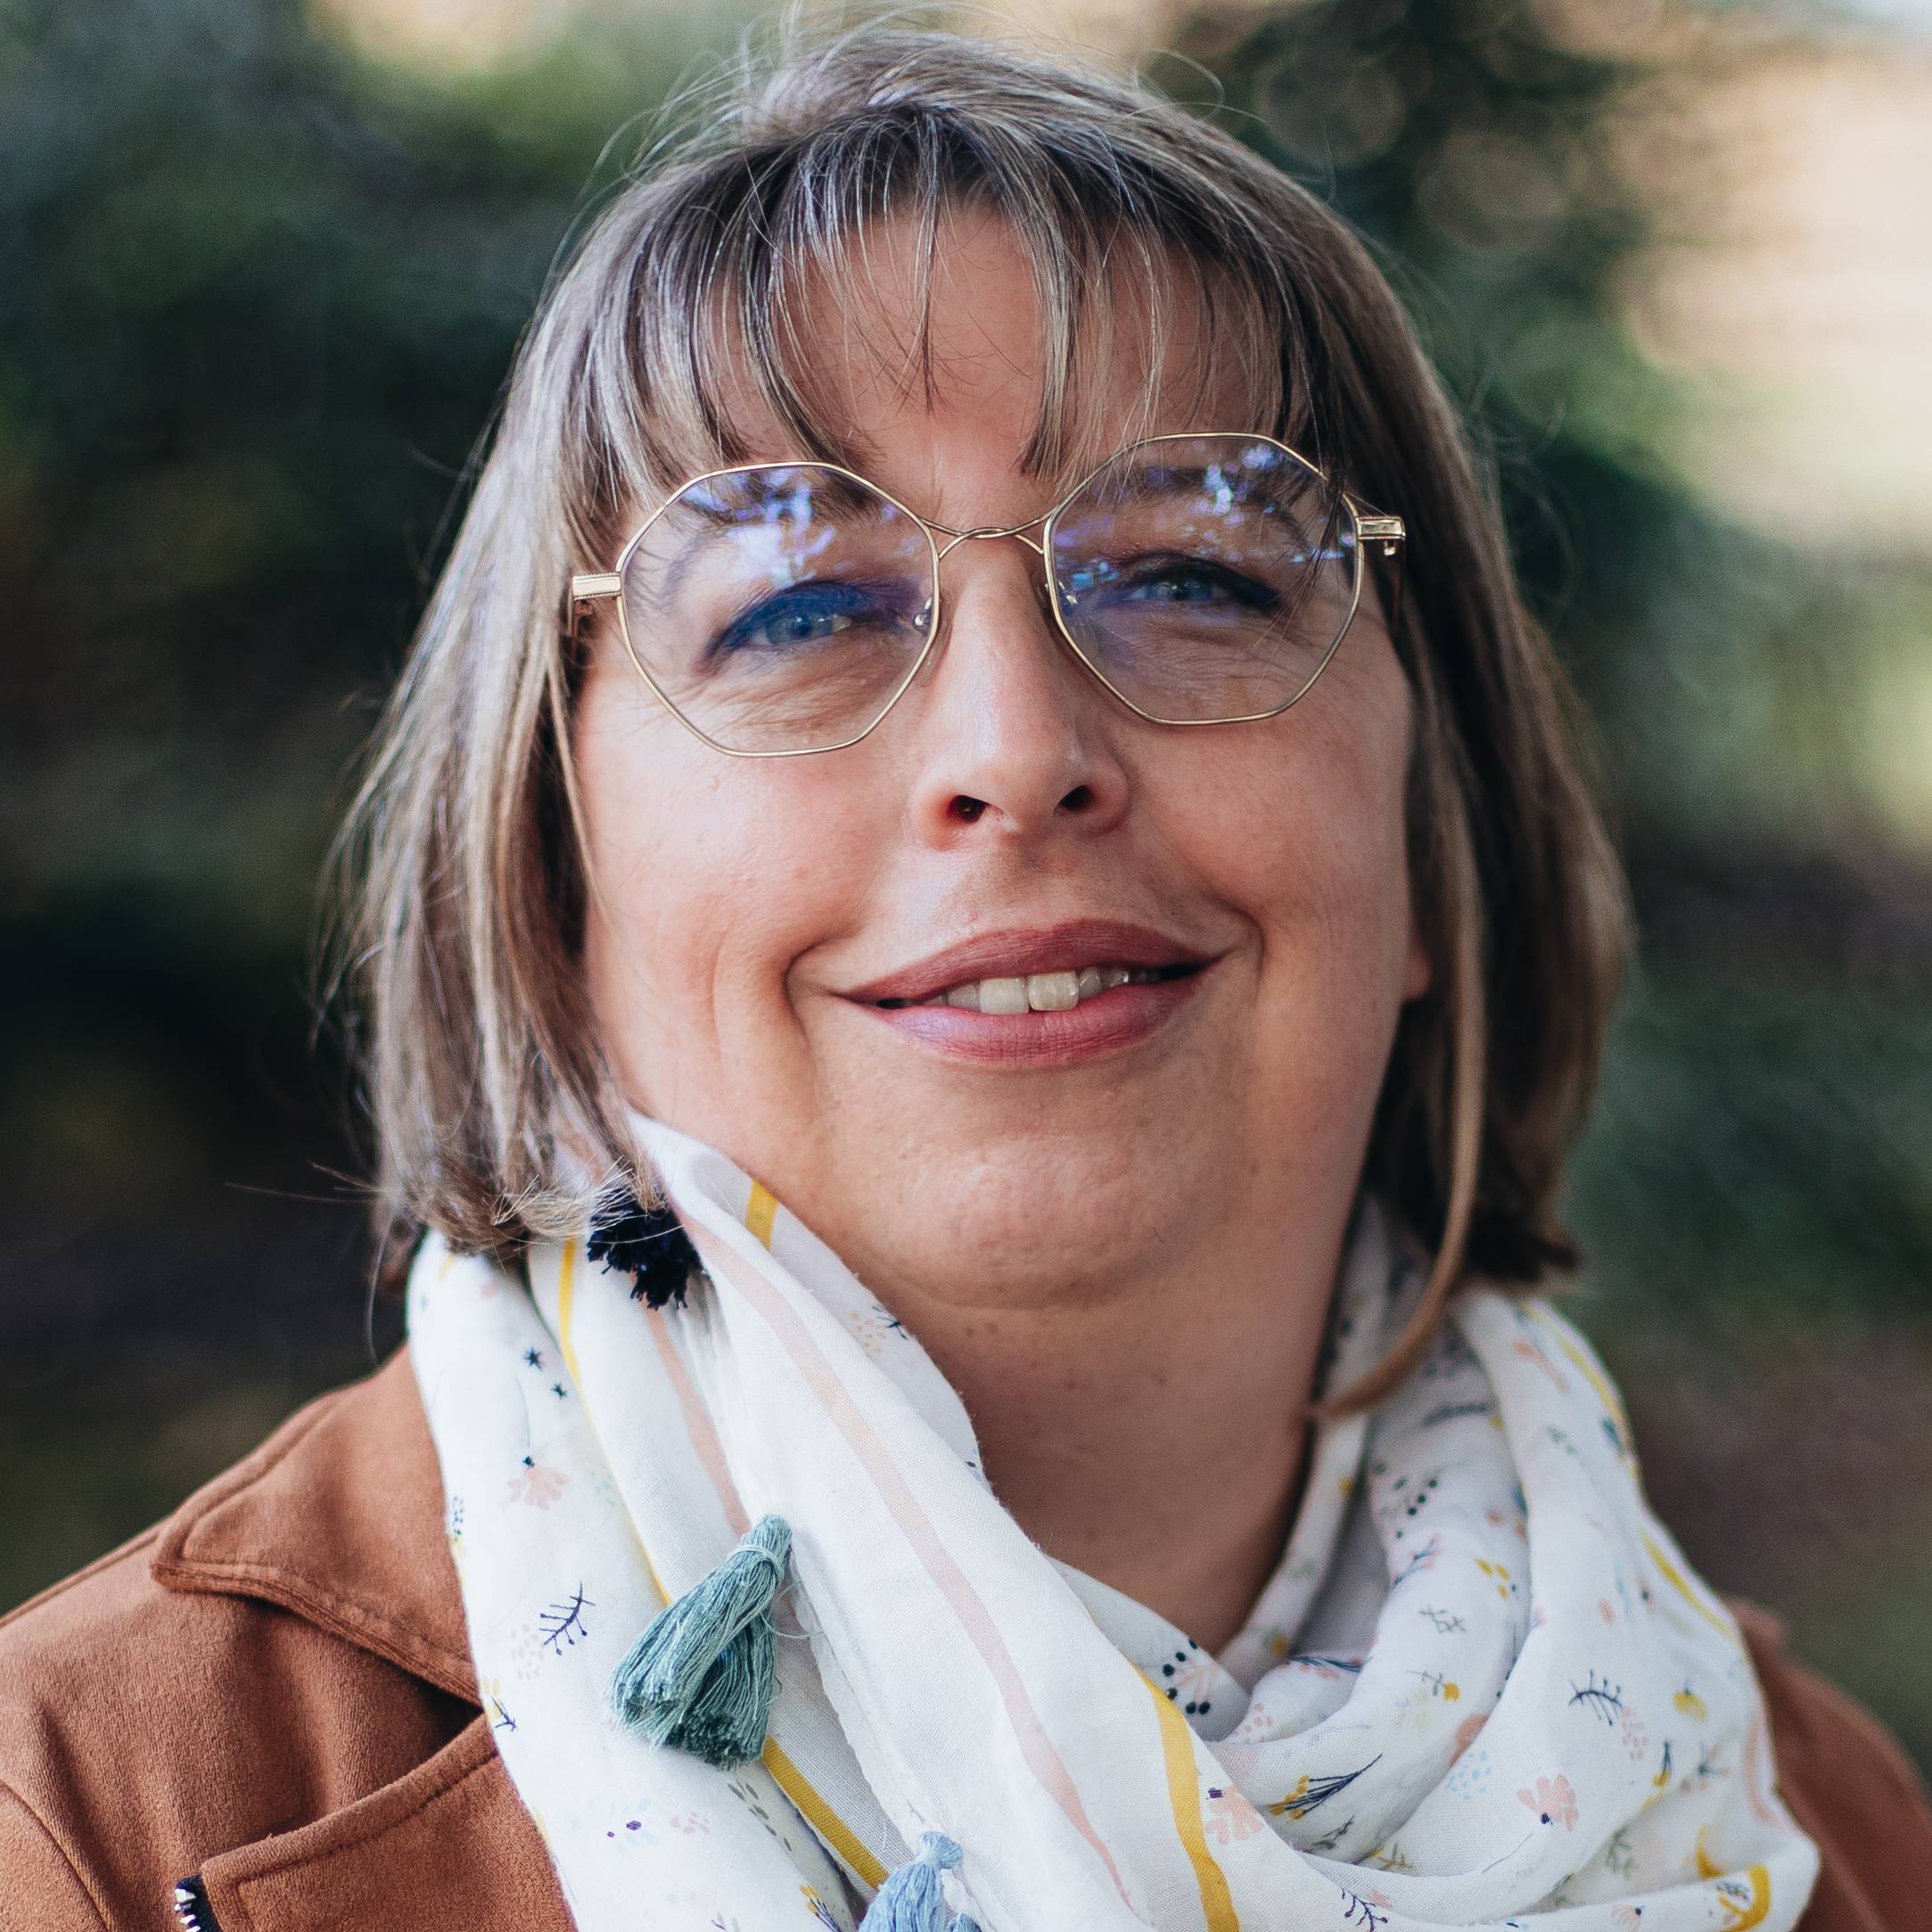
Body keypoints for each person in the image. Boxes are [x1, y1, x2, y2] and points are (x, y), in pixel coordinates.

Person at [4, 15, 1928, 1932]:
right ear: (554, 888)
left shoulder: (1828, 1828)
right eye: (797, 605)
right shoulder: (80, 1825)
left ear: (1431, 840)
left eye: (1190, 571)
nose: (1015, 748)